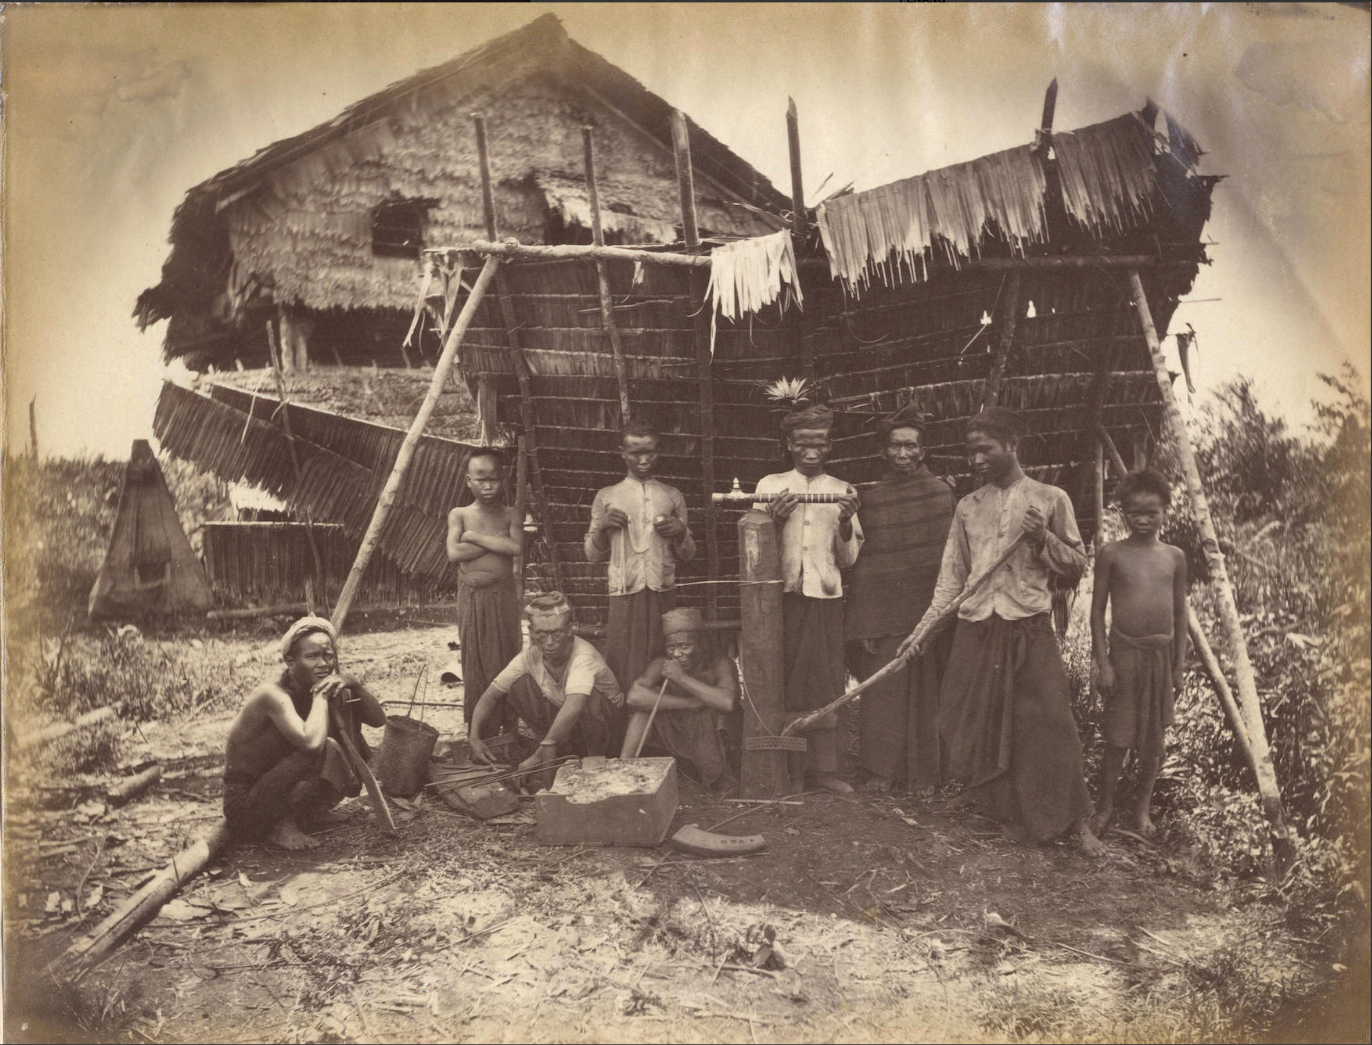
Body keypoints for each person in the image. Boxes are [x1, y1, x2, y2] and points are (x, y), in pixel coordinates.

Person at [907, 407, 1104, 855]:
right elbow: (951, 582)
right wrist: (923, 631)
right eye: (970, 451)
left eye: (986, 449)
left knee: (1050, 723)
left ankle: (1075, 822)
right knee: (965, 718)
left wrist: (1042, 538)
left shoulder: (1050, 498)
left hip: (1027, 626)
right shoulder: (967, 507)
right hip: (977, 626)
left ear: (1013, 445)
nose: (976, 459)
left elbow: (1076, 567)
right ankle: (1005, 810)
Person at [754, 402, 863, 794]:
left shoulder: (841, 491)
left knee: (825, 683)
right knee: (782, 683)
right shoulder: (769, 486)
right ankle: (788, 769)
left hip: (824, 599)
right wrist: (775, 519)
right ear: (789, 444)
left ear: (830, 446)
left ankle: (825, 770)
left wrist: (846, 522)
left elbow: (848, 559)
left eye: (819, 444)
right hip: (781, 601)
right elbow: (754, 549)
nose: (811, 452)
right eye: (802, 444)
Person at [846, 405, 956, 792]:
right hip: (884, 614)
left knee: (932, 692)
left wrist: (939, 618)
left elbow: (949, 562)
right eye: (895, 446)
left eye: (910, 446)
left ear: (923, 451)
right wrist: (864, 622)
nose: (902, 454)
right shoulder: (871, 499)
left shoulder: (942, 495)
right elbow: (865, 565)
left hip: (930, 614)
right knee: (884, 693)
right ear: (883, 451)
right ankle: (881, 771)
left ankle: (928, 773)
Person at [223, 617, 386, 850]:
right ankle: (280, 825)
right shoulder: (271, 694)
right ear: (290, 661)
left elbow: (378, 721)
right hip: (246, 806)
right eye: (311, 657)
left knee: (343, 715)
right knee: (319, 746)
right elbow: (310, 744)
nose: (323, 664)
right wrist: (320, 696)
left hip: (274, 789)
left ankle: (310, 813)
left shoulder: (314, 688)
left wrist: (354, 684)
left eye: (328, 656)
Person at [1089, 468, 1189, 839]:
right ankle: (1105, 808)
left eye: (1152, 512)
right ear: (1122, 512)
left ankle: (1142, 811)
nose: (1143, 520)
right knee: (1117, 739)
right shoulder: (1111, 554)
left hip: (1160, 658)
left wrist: (1178, 667)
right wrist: (1104, 664)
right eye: (1134, 512)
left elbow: (1180, 613)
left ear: (1166, 510)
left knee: (1153, 742)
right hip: (1124, 655)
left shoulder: (1175, 557)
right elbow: (1097, 612)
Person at [467, 593, 625, 785]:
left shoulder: (582, 657)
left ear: (570, 629)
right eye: (542, 634)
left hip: (606, 731)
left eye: (556, 633)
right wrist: (474, 736)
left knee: (588, 697)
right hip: (570, 729)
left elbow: (574, 707)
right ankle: (559, 753)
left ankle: (593, 759)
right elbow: (491, 695)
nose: (549, 642)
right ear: (531, 632)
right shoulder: (529, 657)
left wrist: (535, 758)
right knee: (519, 686)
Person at [585, 419, 695, 692]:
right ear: (622, 452)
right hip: (625, 591)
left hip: (662, 590)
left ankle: (660, 726)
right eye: (635, 453)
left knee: (664, 655)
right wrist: (602, 528)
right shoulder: (607, 496)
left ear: (659, 451)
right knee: (623, 661)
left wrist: (680, 531)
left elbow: (689, 554)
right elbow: (591, 555)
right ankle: (625, 724)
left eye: (651, 452)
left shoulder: (671, 495)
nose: (644, 460)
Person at [620, 607, 740, 792]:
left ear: (701, 643)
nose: (676, 654)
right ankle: (623, 768)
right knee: (642, 711)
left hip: (706, 732)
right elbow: (634, 697)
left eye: (684, 646)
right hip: (676, 726)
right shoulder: (662, 664)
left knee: (713, 715)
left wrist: (682, 679)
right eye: (671, 647)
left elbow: (727, 702)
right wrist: (689, 704)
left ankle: (717, 782)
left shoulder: (721, 664)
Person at [447, 448, 523, 735]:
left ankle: (510, 726)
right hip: (472, 598)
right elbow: (454, 553)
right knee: (475, 658)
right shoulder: (460, 514)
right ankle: (480, 730)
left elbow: (515, 548)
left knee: (507, 654)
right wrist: (496, 541)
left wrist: (476, 538)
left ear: (503, 479)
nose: (488, 485)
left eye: (493, 479)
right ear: (468, 481)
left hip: (502, 598)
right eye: (480, 479)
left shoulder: (510, 514)